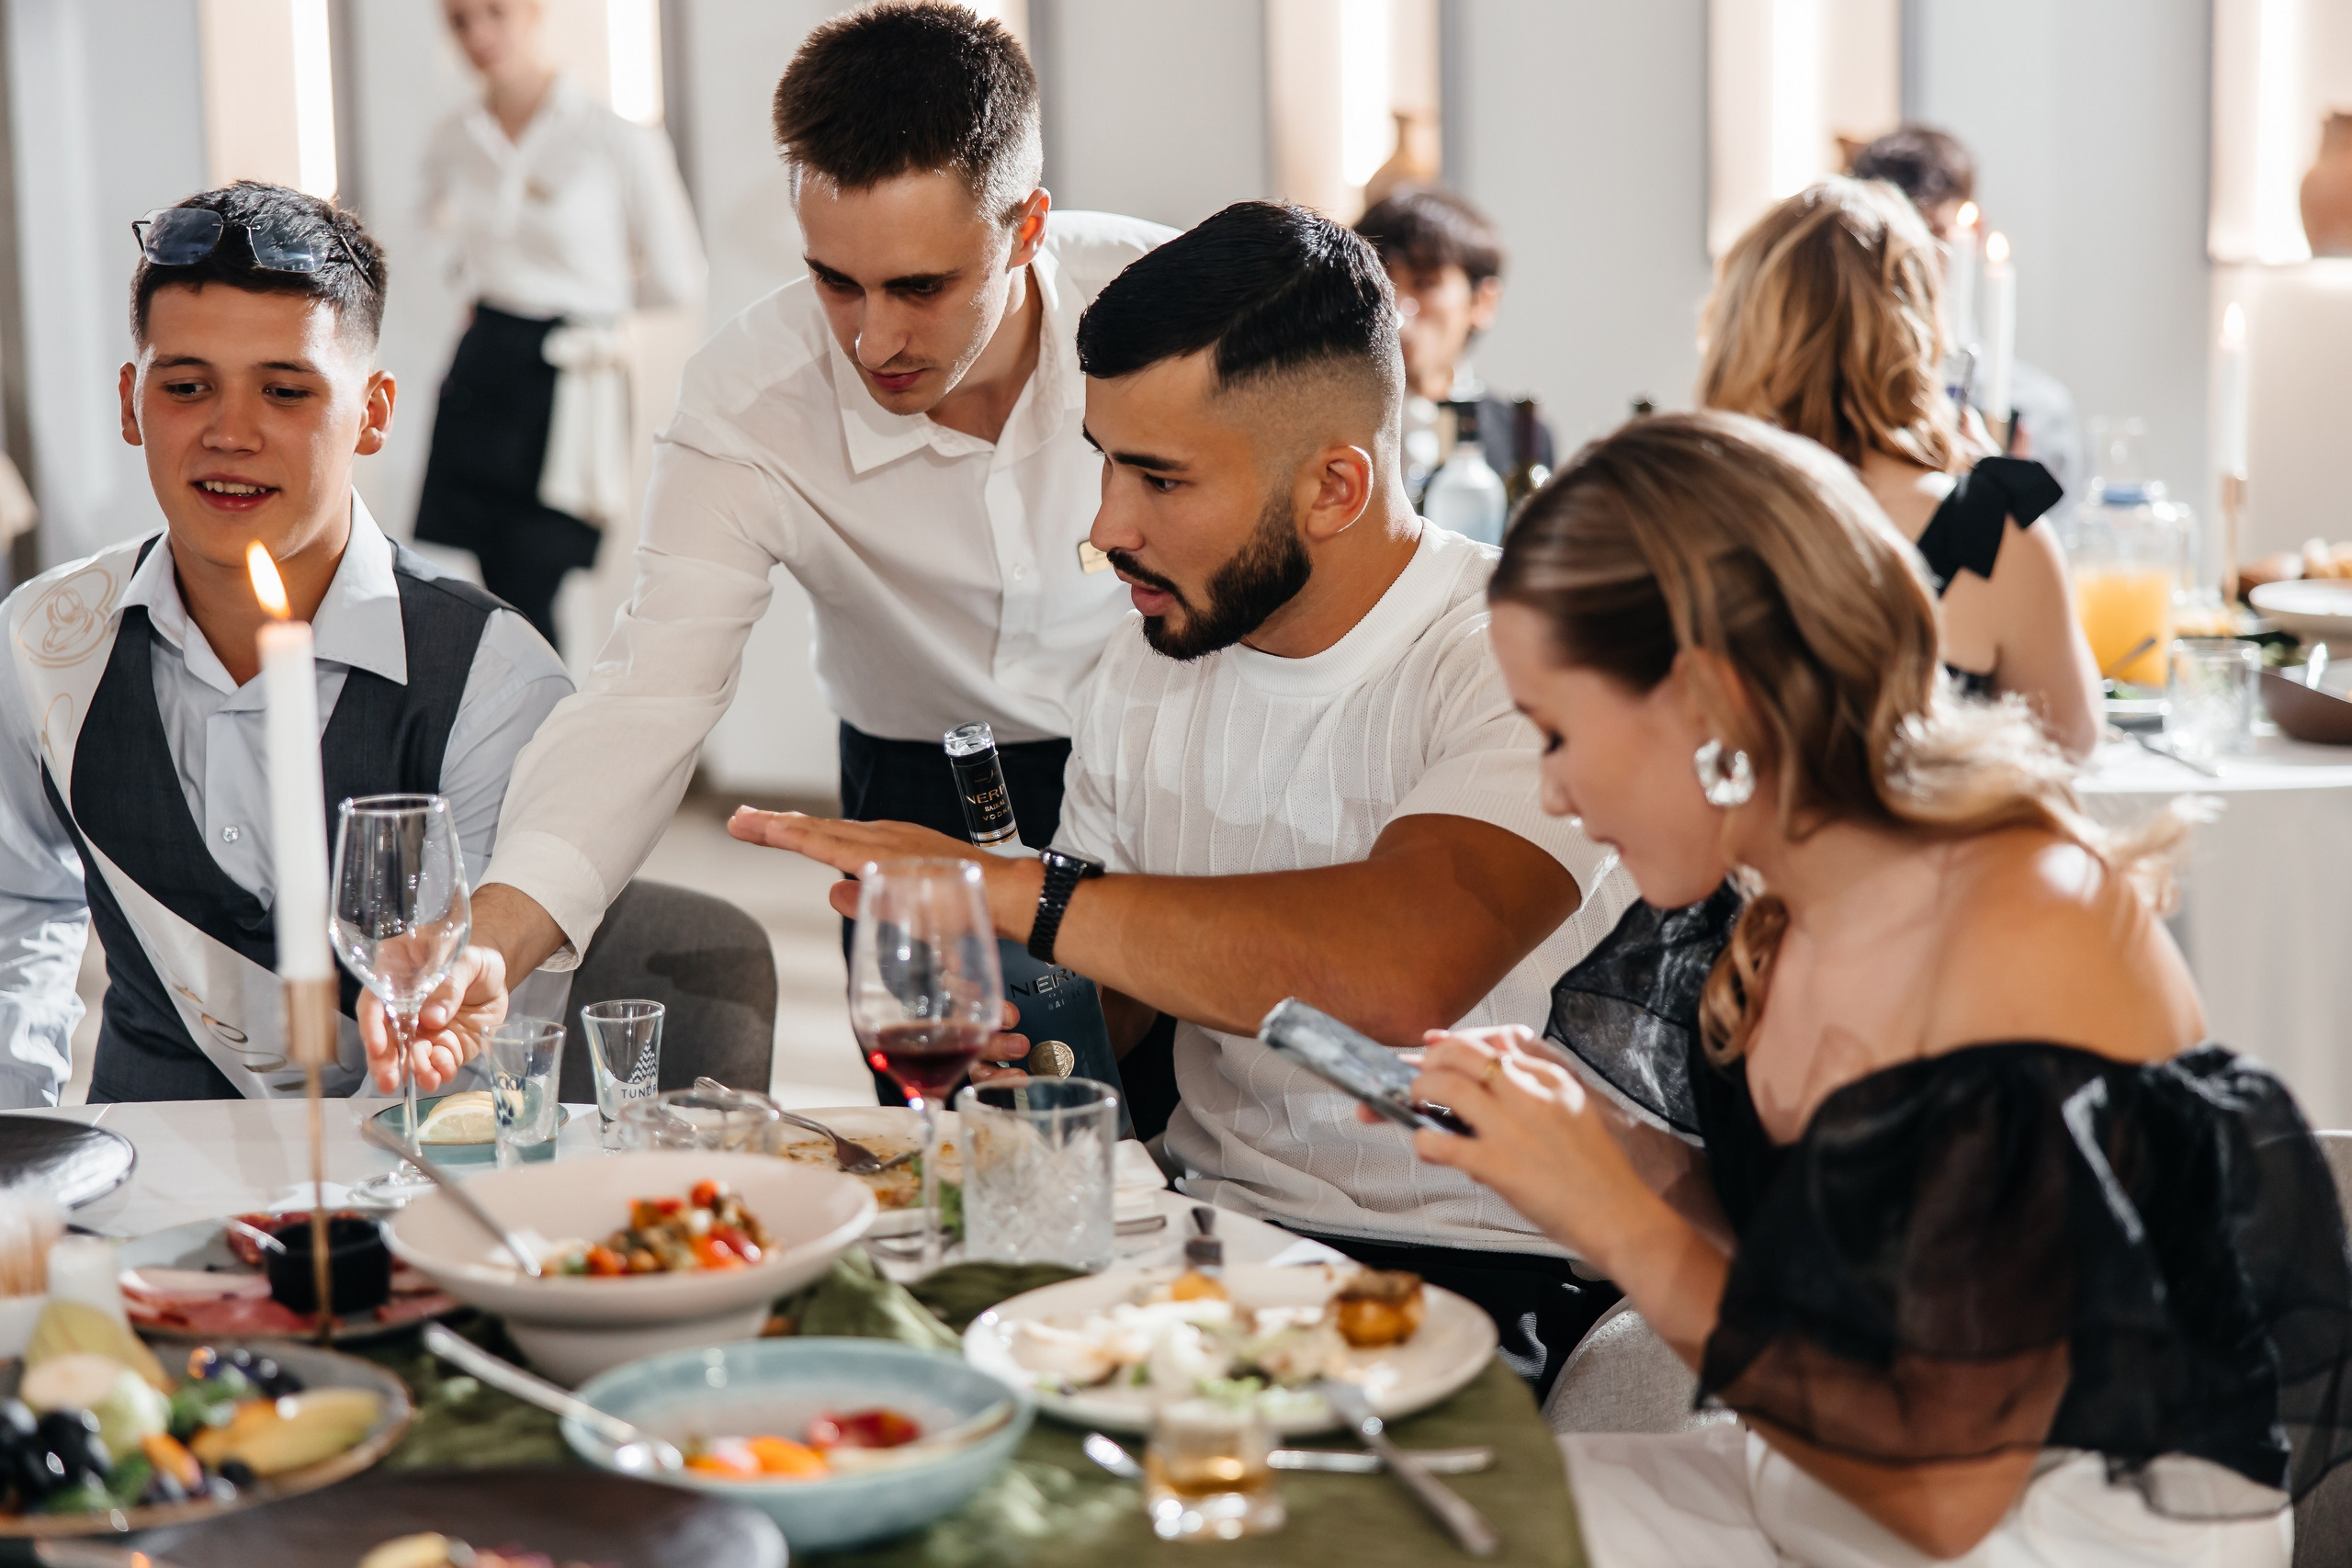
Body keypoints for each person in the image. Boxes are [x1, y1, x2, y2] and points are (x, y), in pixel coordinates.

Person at [1389, 411, 2352, 1564]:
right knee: (1415, 1513)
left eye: (1553, 732)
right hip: (1826, 1472)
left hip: (2049, 1530)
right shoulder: (1778, 894)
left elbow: (1944, 1486)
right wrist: (1613, 1154)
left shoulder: (2025, 926)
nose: (1549, 791)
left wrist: (1614, 1218)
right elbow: (1840, 1245)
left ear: (1706, 700)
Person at [734, 201, 1636, 1391]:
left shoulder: (1515, 646)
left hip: (1481, 1262)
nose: (1107, 529)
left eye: (1160, 477)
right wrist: (1021, 1013)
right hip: (1197, 1227)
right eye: (1104, 461)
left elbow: (1399, 968)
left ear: (1334, 484)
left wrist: (1019, 891)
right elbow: (1120, 1005)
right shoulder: (1141, 664)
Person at [384, 1, 1172, 1107]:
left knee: (1173, 1134)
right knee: (962, 1146)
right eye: (835, 281)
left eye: (920, 287)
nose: (873, 340)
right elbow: (647, 689)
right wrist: (497, 934)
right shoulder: (750, 400)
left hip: (1166, 761)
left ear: (1027, 227)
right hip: (916, 793)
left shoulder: (1171, 308)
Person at [0, 183, 570, 1105]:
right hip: (142, 1173)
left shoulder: (497, 682)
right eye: (185, 387)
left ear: (374, 412)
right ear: (131, 403)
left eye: (285, 390)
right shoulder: (42, 642)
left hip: (402, 1190)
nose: (230, 433)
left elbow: (487, 1038)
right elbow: (15, 908)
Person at [1699, 178, 2103, 759]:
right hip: (1934, 848)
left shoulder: (1695, 515)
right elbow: (2071, 742)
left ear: (1737, 329)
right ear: (1921, 328)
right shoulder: (1997, 531)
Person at [414, 0, 707, 653]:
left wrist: (591, 301)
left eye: (494, 12)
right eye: (460, 21)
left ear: (534, 11)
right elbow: (432, 236)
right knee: (488, 582)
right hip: (485, 357)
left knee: (536, 576)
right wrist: (474, 285)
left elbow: (677, 277)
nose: (480, 35)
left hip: (571, 369)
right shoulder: (454, 138)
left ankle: (550, 740)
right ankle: (509, 742)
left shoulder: (611, 134)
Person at [1849, 123, 2083, 498]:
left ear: (1974, 232)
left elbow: (2060, 539)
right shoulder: (1834, 399)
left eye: (1935, 235)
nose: (1913, 264)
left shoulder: (2034, 409)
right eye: (1891, 241)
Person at [1353, 187, 1552, 495]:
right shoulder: (1328, 426)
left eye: (1424, 283)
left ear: (1483, 302)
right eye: (1378, 283)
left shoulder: (1524, 438)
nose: (1395, 308)